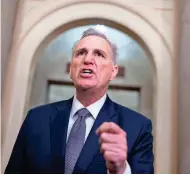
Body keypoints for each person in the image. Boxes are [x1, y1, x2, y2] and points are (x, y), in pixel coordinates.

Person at [5, 28, 154, 174]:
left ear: (113, 72)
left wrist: (121, 169)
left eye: (99, 54)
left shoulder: (138, 127)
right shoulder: (36, 119)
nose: (88, 59)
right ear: (71, 70)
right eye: (81, 53)